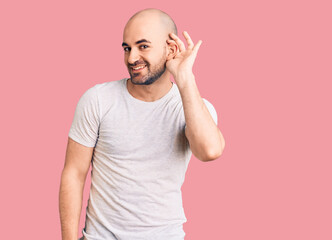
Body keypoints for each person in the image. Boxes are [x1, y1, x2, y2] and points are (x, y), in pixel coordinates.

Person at [59, 8, 225, 240]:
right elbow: (74, 173)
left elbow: (209, 151)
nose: (131, 58)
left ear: (171, 49)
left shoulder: (194, 107)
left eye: (143, 46)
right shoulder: (97, 99)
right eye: (127, 48)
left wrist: (185, 77)